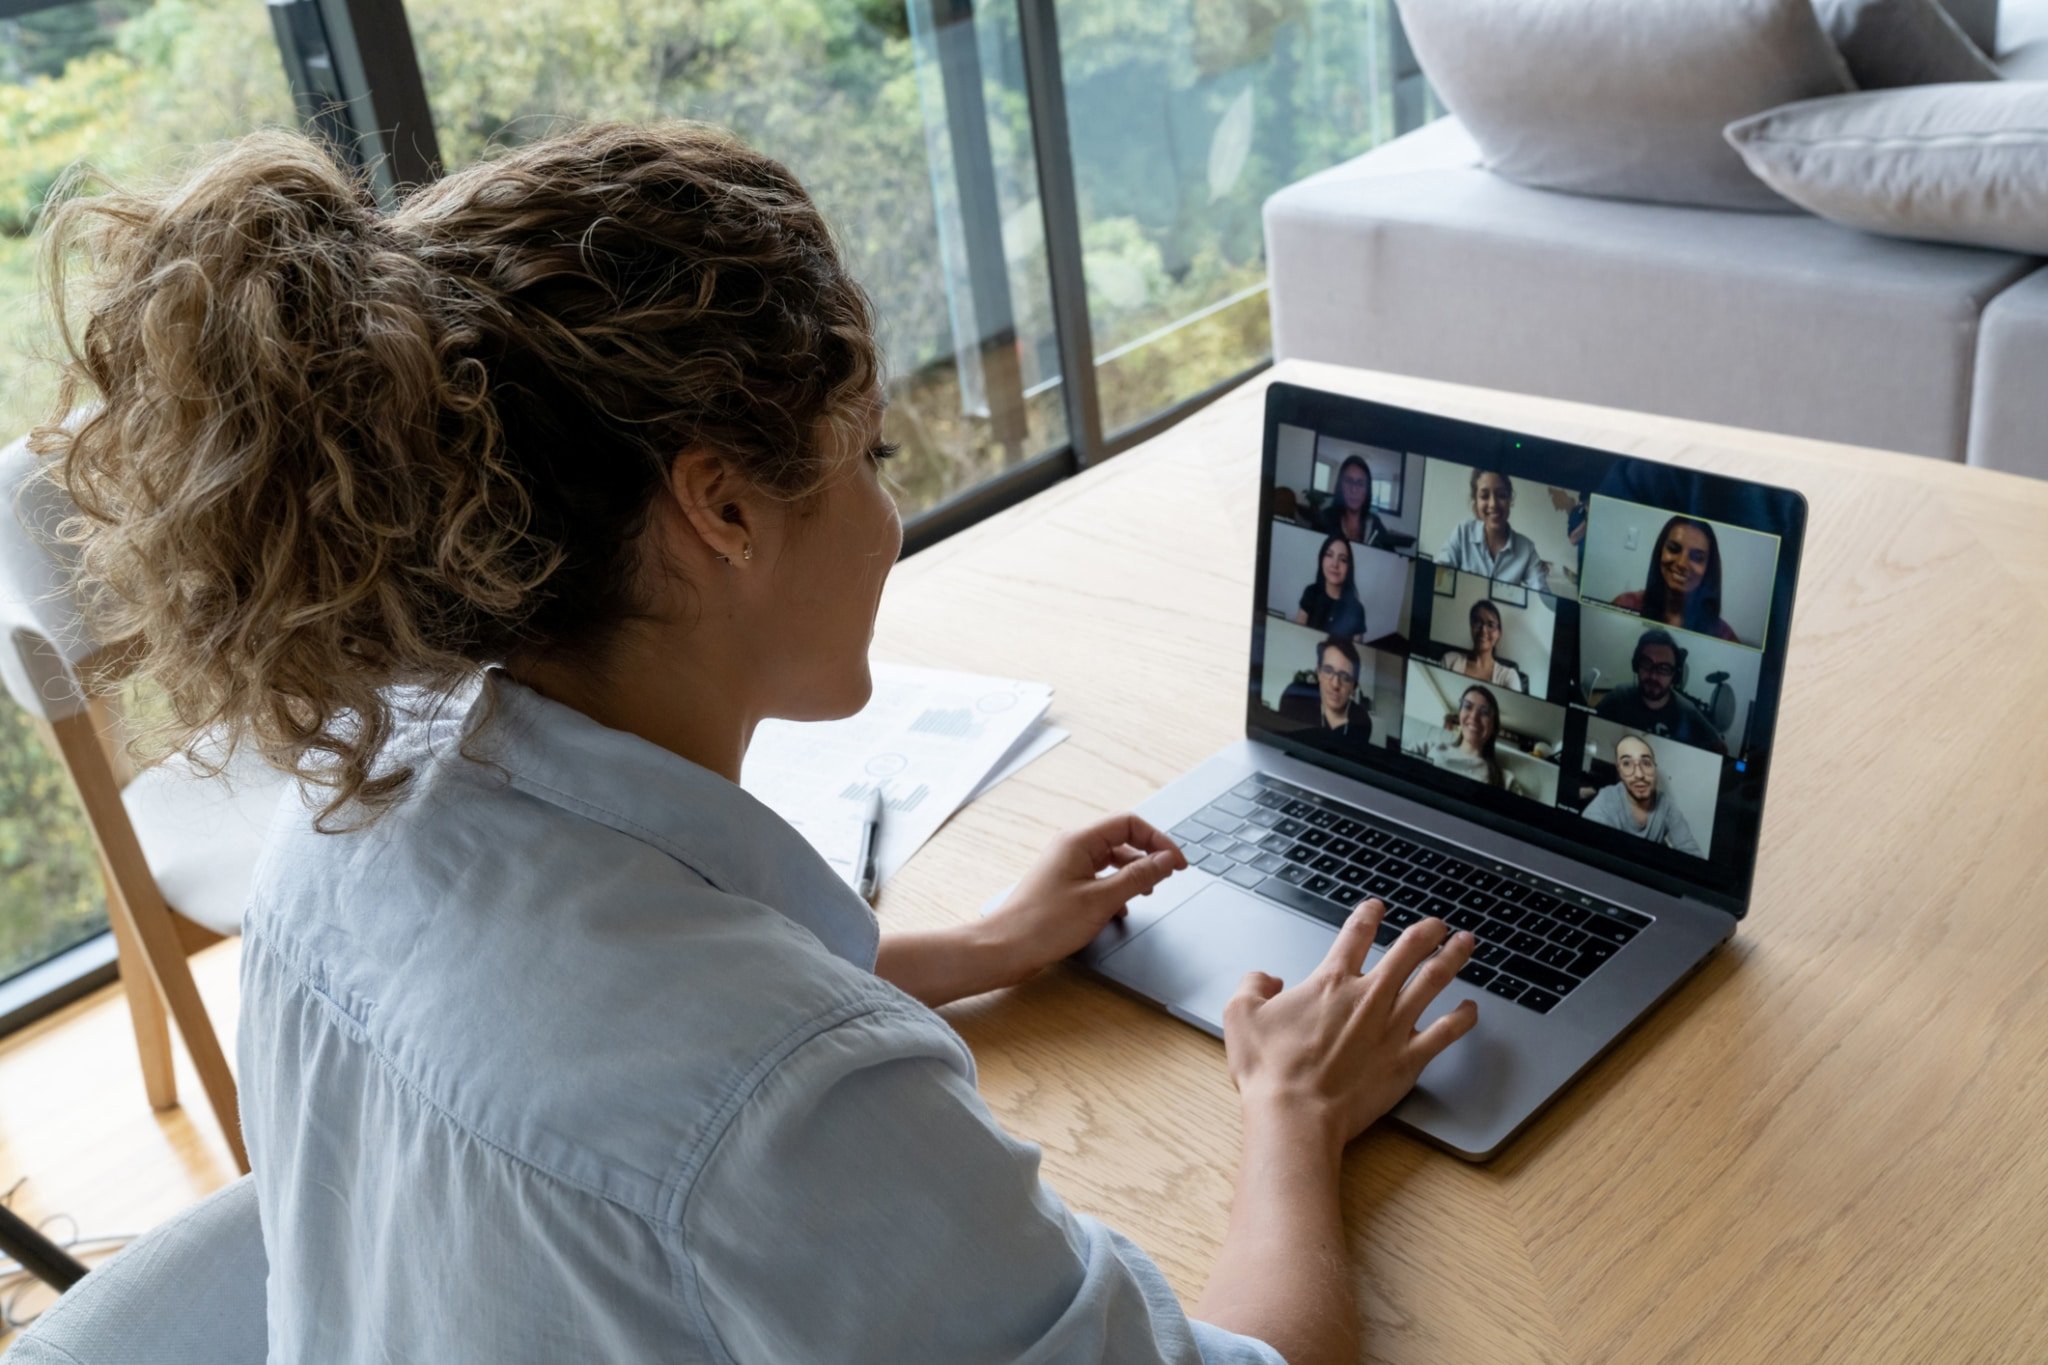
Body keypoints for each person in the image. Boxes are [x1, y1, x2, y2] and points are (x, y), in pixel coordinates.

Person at [36, 125, 1481, 1365]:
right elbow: (723, 1092)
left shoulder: (353, 811)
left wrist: (972, 948)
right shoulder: (798, 1099)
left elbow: (620, 1038)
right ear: (721, 507)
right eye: (870, 456)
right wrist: (1291, 1112)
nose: (888, 519)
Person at [1593, 628, 1726, 754]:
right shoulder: (1619, 697)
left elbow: (1720, 747)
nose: (1653, 676)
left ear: (1675, 676)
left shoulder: (1688, 712)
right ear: (1636, 665)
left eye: (1664, 668)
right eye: (1646, 664)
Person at [1610, 514, 1739, 642]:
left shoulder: (1722, 635)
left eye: (1697, 557)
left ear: (1709, 568)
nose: (1682, 563)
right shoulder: (1625, 605)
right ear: (1660, 552)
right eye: (1673, 549)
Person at [1580, 734, 1704, 855]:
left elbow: (1689, 849)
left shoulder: (1665, 805)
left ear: (1654, 769)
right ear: (1620, 774)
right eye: (1627, 764)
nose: (1639, 774)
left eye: (1646, 763)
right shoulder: (1606, 801)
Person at [1434, 468, 1549, 591]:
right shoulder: (1462, 533)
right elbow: (1438, 575)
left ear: (1510, 499)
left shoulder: (1527, 549)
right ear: (1476, 501)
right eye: (1484, 496)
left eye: (1501, 495)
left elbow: (1541, 591)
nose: (1493, 504)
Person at [1278, 638, 1375, 760]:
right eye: (1328, 671)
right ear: (1318, 672)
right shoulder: (1295, 698)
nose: (1335, 684)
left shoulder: (1362, 720)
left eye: (1345, 677)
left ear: (1353, 687)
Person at [1419, 684, 1524, 795]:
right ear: (1460, 715)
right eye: (1467, 706)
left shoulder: (1506, 780)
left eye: (1484, 712)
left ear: (1494, 727)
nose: (1474, 716)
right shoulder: (1429, 747)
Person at [1437, 598, 1524, 692]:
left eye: (1490, 625)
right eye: (1478, 622)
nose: (1483, 630)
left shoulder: (1508, 676)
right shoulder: (1450, 661)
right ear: (1471, 626)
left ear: (1499, 634)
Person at [1291, 532, 1367, 639]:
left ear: (1349, 567)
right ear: (1321, 559)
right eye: (1329, 555)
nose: (1335, 564)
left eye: (1343, 559)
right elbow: (1296, 635)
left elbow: (1355, 652)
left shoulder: (1357, 609)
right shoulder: (1311, 593)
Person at [1316, 453, 1390, 548]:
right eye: (1348, 481)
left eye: (1360, 483)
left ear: (1367, 490)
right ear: (1340, 485)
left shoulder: (1375, 524)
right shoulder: (1324, 519)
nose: (1354, 489)